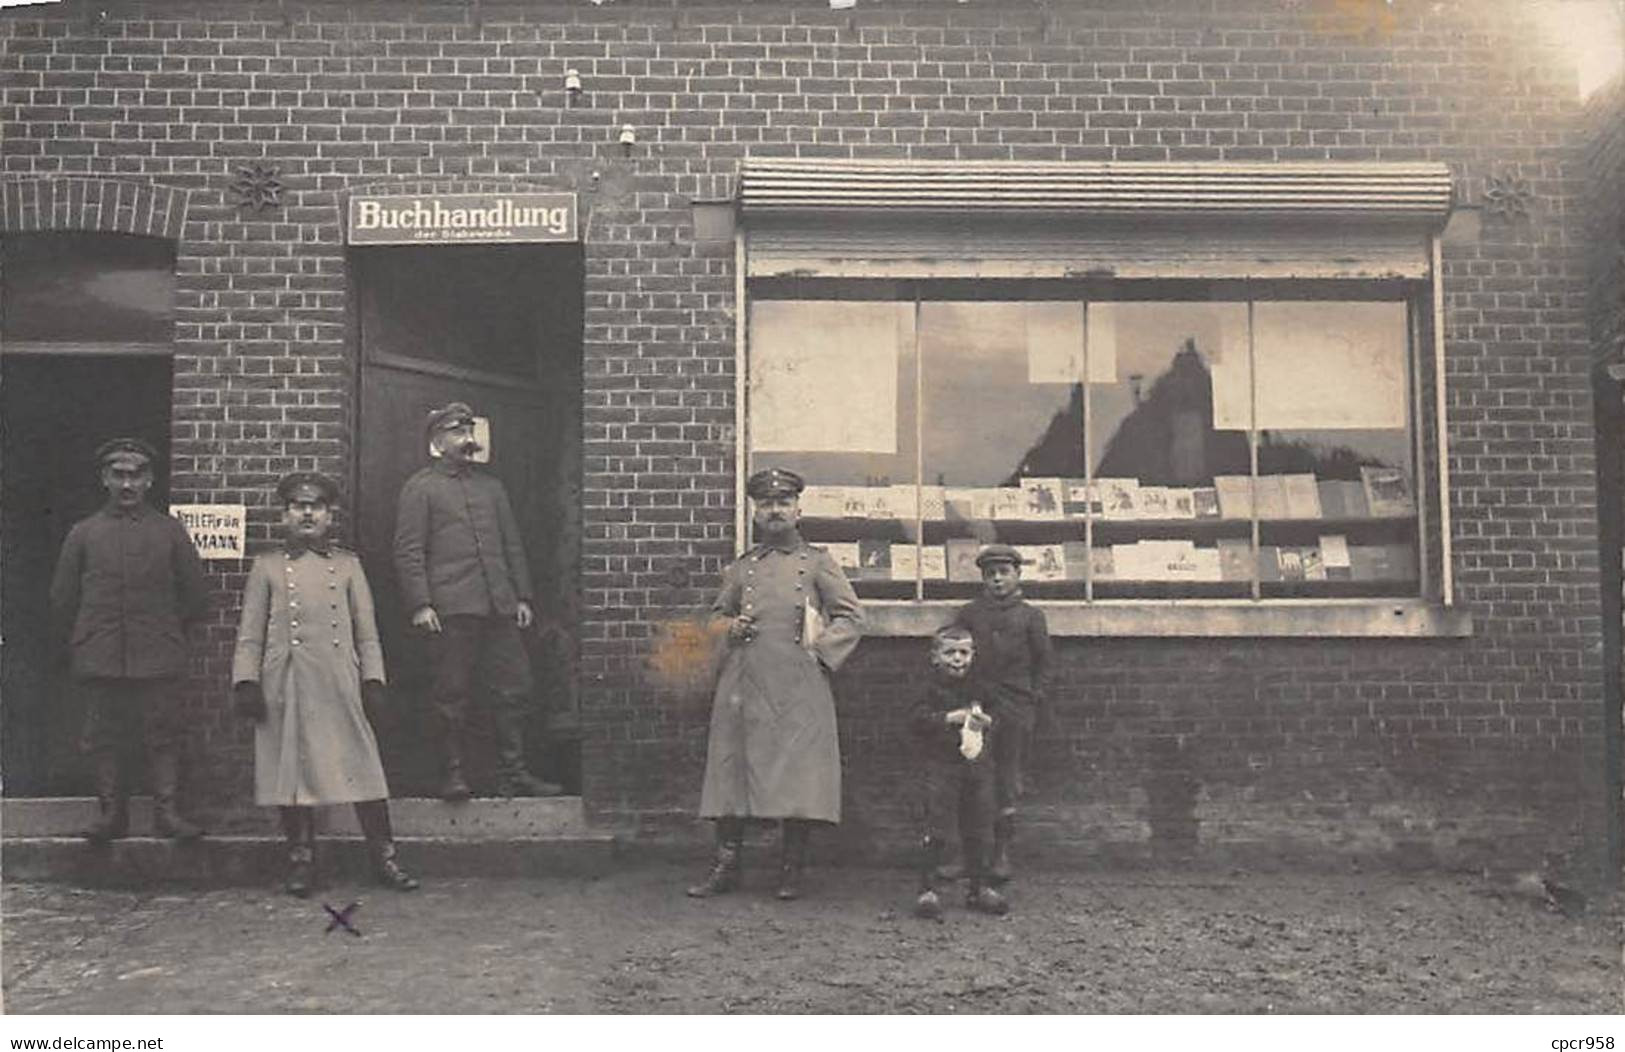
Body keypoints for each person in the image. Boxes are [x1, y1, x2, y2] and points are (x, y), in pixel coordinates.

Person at [231, 473, 418, 896]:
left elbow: (366, 631)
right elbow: (251, 633)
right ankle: (301, 860)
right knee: (292, 773)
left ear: (329, 515)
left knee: (363, 767)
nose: (308, 513)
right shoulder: (267, 567)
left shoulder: (348, 566)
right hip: (288, 682)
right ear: (284, 515)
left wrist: (373, 679)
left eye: (316, 506)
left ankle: (384, 856)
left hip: (339, 680)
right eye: (299, 506)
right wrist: (246, 680)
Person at [687, 467, 865, 901]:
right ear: (755, 511)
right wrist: (729, 627)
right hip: (745, 682)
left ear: (798, 509)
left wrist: (820, 655)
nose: (775, 511)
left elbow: (852, 616)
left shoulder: (818, 563)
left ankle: (792, 869)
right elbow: (712, 618)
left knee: (798, 776)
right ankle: (727, 866)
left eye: (783, 503)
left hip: (798, 684)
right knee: (732, 771)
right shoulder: (744, 567)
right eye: (766, 504)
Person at [393, 402, 558, 801]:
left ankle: (512, 774)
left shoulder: (492, 488)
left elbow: (511, 544)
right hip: (450, 609)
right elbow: (408, 550)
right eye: (457, 432)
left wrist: (520, 595)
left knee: (514, 687)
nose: (468, 440)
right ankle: (452, 774)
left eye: (470, 431)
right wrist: (421, 603)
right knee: (451, 694)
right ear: (438, 442)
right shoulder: (421, 488)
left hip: (499, 607)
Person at [50, 437, 209, 842]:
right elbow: (63, 598)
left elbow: (194, 596)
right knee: (103, 734)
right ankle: (110, 814)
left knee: (163, 732)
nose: (127, 485)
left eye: (135, 475)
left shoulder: (169, 532)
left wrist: (164, 633)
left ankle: (167, 813)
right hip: (100, 653)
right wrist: (87, 640)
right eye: (118, 475)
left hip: (157, 653)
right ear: (105, 478)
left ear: (149, 480)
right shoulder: (83, 533)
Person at [952, 543, 1052, 884]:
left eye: (1003, 572)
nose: (996, 579)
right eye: (990, 573)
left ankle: (1000, 855)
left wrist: (1032, 699)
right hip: (978, 706)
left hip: (1015, 709)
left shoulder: (1030, 616)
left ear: (1017, 574)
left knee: (1007, 781)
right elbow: (957, 654)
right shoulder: (969, 614)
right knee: (972, 779)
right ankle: (970, 858)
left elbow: (1044, 664)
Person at [910, 625, 1008, 919]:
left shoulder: (981, 687)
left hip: (976, 766)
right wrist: (946, 718)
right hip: (940, 765)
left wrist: (988, 721)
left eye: (963, 653)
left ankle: (979, 888)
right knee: (936, 825)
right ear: (935, 657)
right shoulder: (927, 688)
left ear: (973, 655)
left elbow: (1001, 716)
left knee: (979, 825)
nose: (957, 659)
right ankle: (929, 889)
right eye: (949, 653)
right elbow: (914, 720)